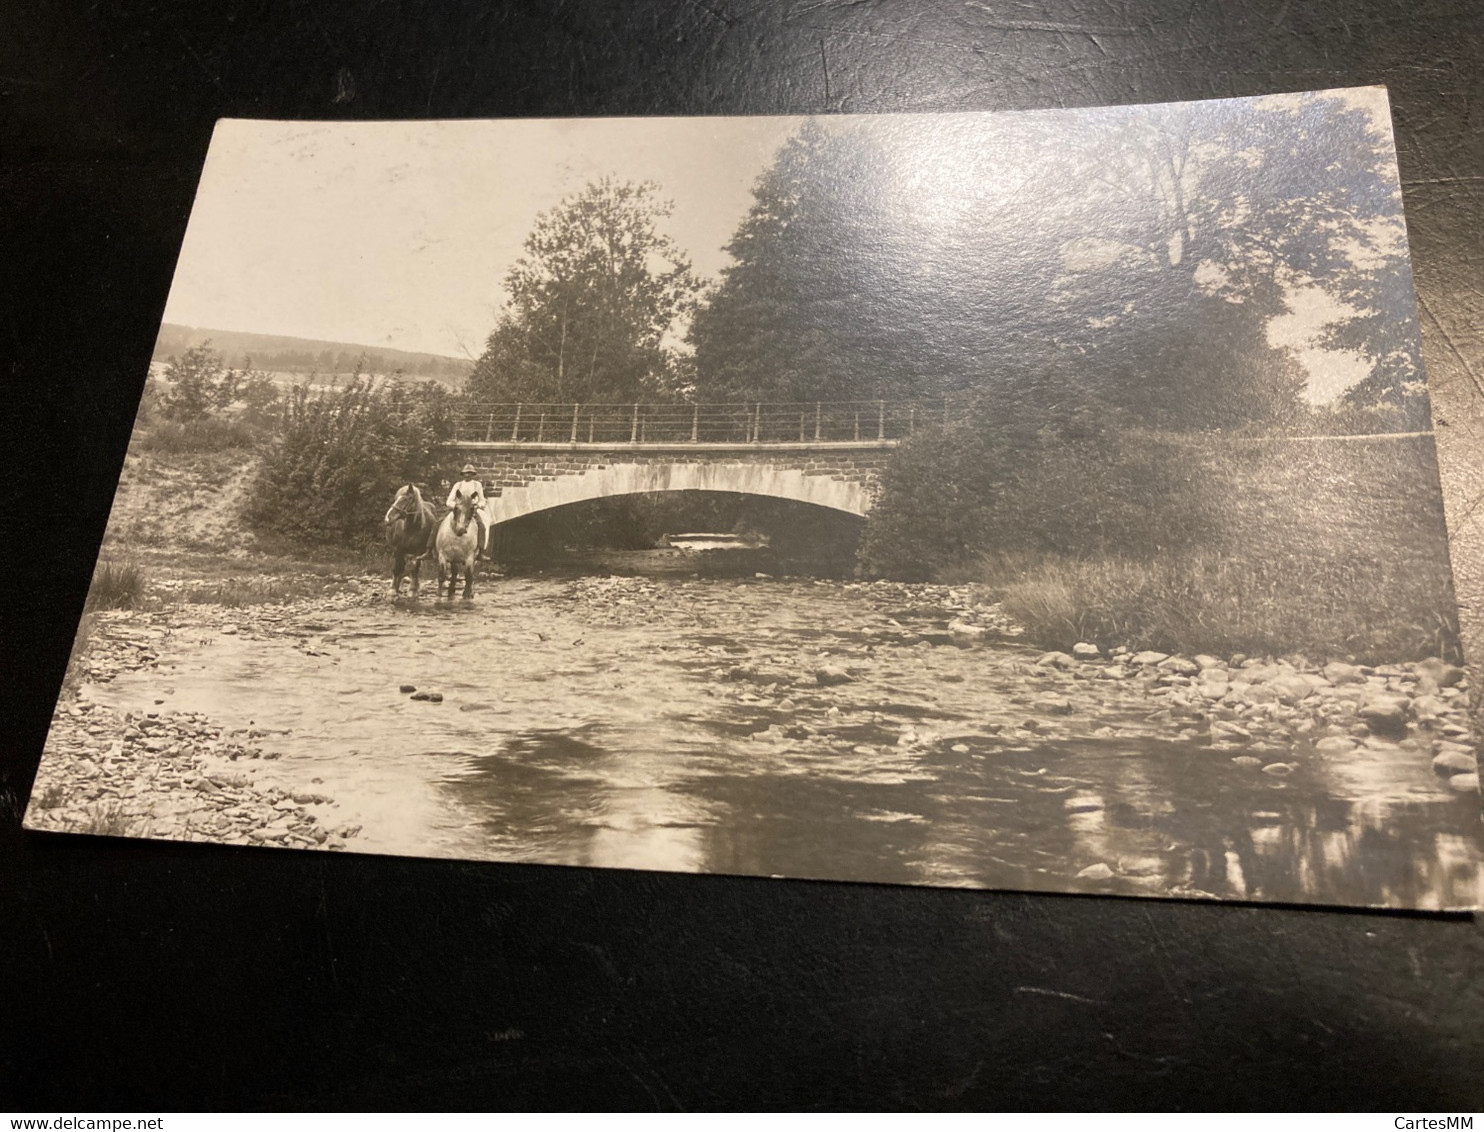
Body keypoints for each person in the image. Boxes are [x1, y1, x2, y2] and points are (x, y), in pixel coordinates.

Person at [447, 462, 491, 558]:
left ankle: (480, 551)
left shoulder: (477, 485)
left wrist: (477, 505)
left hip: (472, 509)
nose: (468, 475)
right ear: (463, 474)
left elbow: (482, 500)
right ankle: (430, 549)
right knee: (438, 523)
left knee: (481, 526)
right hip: (458, 509)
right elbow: (449, 501)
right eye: (466, 473)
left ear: (472, 474)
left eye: (470, 473)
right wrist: (457, 506)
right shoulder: (458, 485)